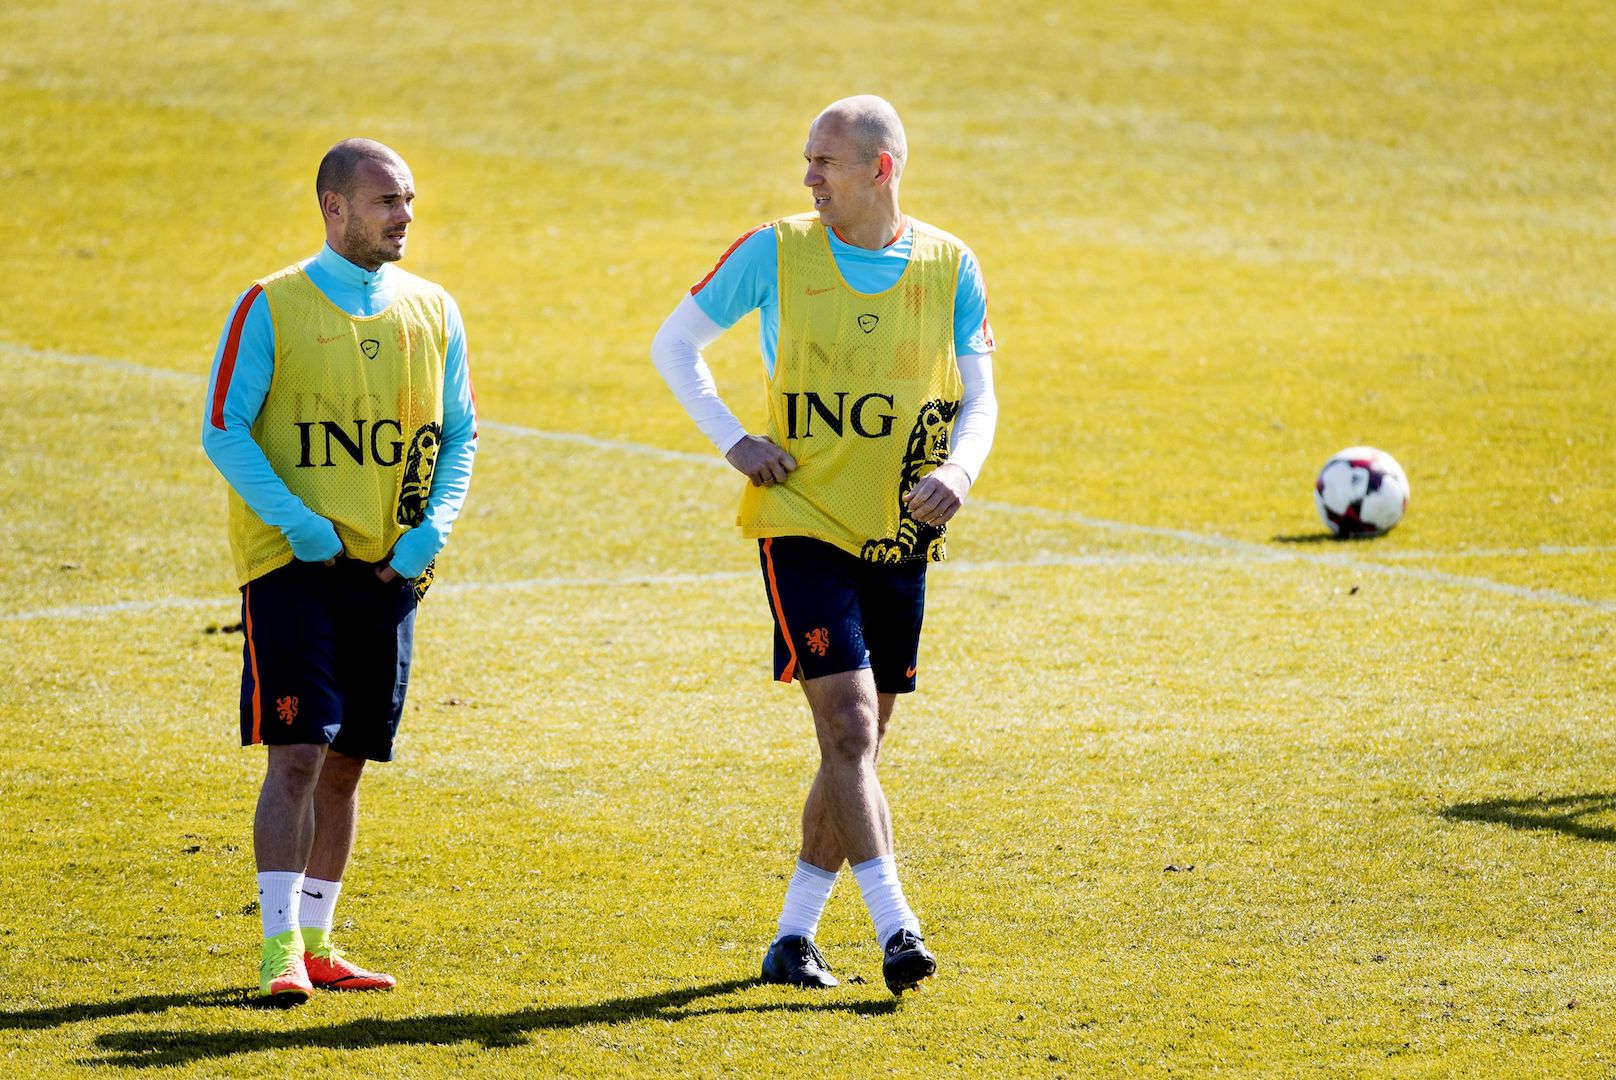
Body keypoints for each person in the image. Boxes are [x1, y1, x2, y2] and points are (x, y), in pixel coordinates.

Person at [651, 95, 998, 995]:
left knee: (859, 750)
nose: (808, 179)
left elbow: (981, 396)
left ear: (881, 168)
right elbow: (676, 344)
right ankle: (898, 930)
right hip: (800, 522)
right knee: (846, 728)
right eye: (807, 162)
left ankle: (792, 937)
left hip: (900, 532)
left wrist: (958, 473)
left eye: (825, 163)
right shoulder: (774, 250)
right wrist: (734, 438)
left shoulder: (951, 264)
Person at [201, 138, 478, 1005]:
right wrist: (298, 524)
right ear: (334, 207)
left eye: (408, 200)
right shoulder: (271, 306)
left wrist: (433, 529)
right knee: (295, 758)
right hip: (293, 567)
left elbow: (462, 433)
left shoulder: (434, 310)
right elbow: (224, 428)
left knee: (350, 760)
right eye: (386, 200)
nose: (404, 216)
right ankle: (277, 949)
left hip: (392, 572)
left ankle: (319, 942)